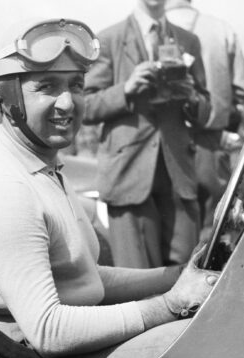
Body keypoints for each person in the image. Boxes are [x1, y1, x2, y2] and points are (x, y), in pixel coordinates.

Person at [0, 18, 217, 358]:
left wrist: (176, 276)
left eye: (76, 85)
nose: (68, 103)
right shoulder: (4, 191)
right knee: (213, 343)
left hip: (71, 353)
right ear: (9, 98)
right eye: (47, 87)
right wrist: (168, 305)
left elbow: (84, 280)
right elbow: (49, 331)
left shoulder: (41, 170)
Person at [84, 0, 211, 269]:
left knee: (188, 274)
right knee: (137, 279)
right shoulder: (108, 40)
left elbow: (205, 111)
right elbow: (84, 106)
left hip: (178, 175)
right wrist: (126, 89)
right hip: (128, 175)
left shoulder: (188, 41)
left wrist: (190, 96)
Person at [165, 0, 244, 236]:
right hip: (210, 142)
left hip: (165, 145)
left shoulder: (151, 30)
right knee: (212, 231)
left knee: (171, 232)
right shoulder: (221, 29)